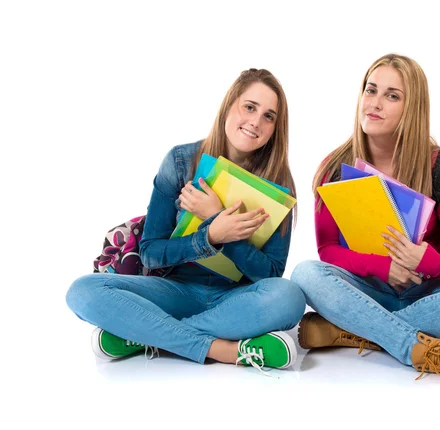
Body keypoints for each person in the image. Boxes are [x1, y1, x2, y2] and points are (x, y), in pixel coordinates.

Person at [290, 54, 440, 390]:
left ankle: (348, 331)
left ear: (413, 108)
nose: (375, 103)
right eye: (371, 90)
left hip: (429, 293)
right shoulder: (334, 167)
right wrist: (383, 268)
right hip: (366, 288)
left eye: (392, 96)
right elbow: (328, 251)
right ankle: (417, 347)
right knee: (305, 274)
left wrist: (427, 261)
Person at [66, 68, 306, 375]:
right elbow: (151, 252)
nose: (256, 122)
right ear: (230, 104)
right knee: (81, 291)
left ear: (276, 128)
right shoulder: (180, 161)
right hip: (173, 292)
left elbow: (270, 274)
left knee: (290, 298)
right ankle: (225, 350)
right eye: (249, 107)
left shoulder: (277, 183)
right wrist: (207, 238)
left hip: (232, 301)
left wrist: (220, 224)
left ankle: (148, 337)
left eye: (269, 116)